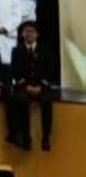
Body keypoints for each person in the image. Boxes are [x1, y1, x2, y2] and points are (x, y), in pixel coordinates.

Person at [10, 21, 53, 151]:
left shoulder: (45, 50)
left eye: (32, 31)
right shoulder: (16, 51)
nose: (29, 34)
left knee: (47, 101)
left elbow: (49, 71)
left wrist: (41, 86)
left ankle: (46, 137)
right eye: (26, 31)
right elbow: (15, 72)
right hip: (24, 87)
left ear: (37, 34)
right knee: (21, 101)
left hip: (41, 86)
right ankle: (26, 137)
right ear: (22, 34)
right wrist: (26, 86)